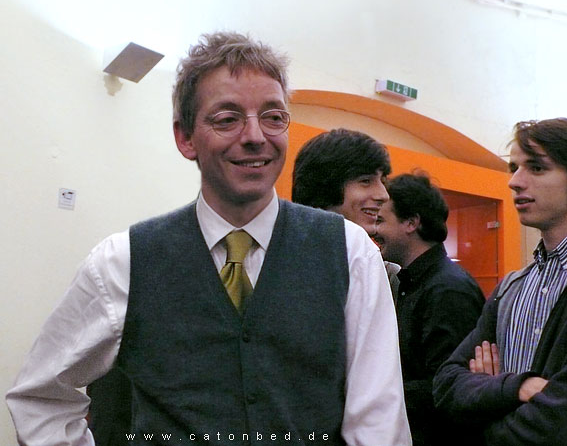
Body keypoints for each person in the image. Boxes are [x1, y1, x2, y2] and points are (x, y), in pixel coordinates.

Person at [6, 32, 412, 446]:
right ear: (185, 138)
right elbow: (39, 399)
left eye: (273, 117)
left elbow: (379, 423)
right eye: (227, 118)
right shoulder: (123, 262)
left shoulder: (349, 253)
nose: (255, 135)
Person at [433, 117, 567, 445]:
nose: (515, 182)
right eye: (514, 168)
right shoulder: (512, 287)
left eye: (537, 168)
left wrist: (484, 410)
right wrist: (515, 387)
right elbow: (447, 385)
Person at [373, 172, 485, 446]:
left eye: (381, 220)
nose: (374, 231)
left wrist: (373, 392)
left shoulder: (448, 290)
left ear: (411, 223)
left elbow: (446, 385)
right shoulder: (410, 283)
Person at [291, 128, 391, 236]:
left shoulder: (362, 246)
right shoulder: (284, 243)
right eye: (366, 181)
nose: (384, 196)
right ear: (325, 187)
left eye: (383, 181)